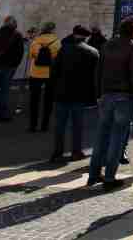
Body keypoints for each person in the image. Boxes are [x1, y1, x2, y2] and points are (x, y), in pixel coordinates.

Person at [87, 17, 133, 191]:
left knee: (101, 136)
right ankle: (110, 177)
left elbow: (98, 72)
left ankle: (93, 174)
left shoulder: (107, 45)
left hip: (106, 95)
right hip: (124, 97)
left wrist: (98, 93)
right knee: (117, 138)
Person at [50, 26, 99, 163]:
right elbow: (95, 77)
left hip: (62, 93)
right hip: (80, 94)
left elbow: (54, 71)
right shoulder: (93, 52)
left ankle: (57, 152)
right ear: (86, 37)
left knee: (60, 125)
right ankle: (76, 151)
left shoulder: (63, 49)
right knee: (78, 125)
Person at [0, 16, 24, 123]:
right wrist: (15, 65)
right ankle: (2, 114)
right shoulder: (17, 35)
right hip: (8, 67)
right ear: (13, 24)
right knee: (4, 92)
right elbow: (20, 53)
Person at [27, 22, 61, 132]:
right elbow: (58, 58)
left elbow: (31, 56)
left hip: (35, 73)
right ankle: (44, 125)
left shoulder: (35, 41)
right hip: (50, 74)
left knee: (34, 100)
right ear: (53, 30)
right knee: (48, 100)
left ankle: (33, 125)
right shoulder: (57, 42)